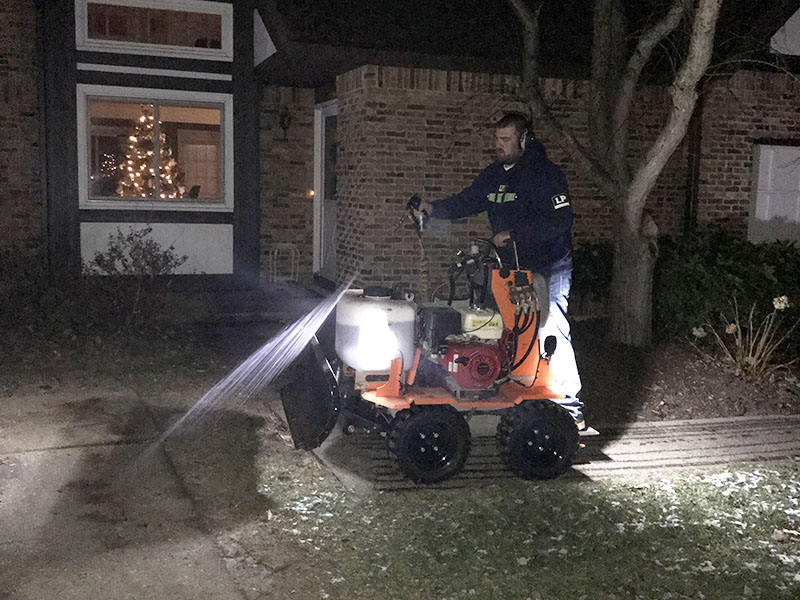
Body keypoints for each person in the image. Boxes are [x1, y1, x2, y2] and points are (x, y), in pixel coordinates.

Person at [413, 112, 584, 430]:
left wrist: (516, 234)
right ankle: (512, 392)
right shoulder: (493, 176)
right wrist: (434, 208)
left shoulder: (547, 175)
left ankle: (569, 409)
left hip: (548, 266)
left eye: (506, 139)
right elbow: (467, 201)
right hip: (512, 269)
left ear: (524, 140)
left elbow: (561, 220)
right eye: (496, 139)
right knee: (509, 330)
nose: (499, 145)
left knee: (549, 328)